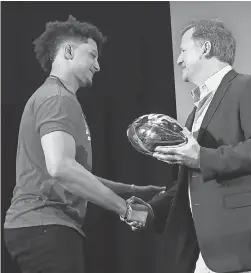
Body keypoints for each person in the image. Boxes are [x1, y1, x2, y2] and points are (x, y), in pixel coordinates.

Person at [128, 19, 251, 273]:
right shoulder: (196, 111)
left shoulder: (249, 86)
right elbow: (190, 180)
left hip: (239, 244)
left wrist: (200, 158)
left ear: (205, 48)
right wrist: (153, 209)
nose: (178, 60)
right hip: (204, 249)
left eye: (183, 50)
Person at [3, 15, 164, 273]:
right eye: (92, 55)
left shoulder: (58, 97)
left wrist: (133, 189)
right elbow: (61, 168)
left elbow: (72, 173)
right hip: (45, 225)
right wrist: (125, 210)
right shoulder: (57, 98)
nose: (98, 65)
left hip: (42, 227)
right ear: (68, 51)